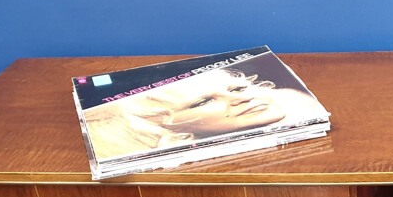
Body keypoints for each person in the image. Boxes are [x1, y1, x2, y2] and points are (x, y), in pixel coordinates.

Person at [84, 66, 322, 160]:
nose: (243, 97)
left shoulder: (296, 102)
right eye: (202, 102)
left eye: (237, 88)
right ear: (168, 128)